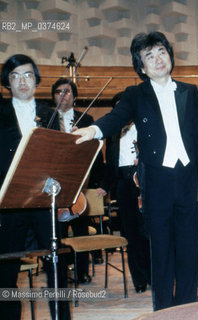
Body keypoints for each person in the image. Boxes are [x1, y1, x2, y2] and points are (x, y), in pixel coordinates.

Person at [72, 31, 198, 310]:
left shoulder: (190, 91)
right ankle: (162, 311)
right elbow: (117, 117)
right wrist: (93, 129)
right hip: (157, 182)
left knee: (188, 249)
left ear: (170, 55)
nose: (158, 59)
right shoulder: (136, 94)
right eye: (149, 55)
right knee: (161, 250)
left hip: (188, 180)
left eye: (161, 51)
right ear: (141, 67)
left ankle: (187, 309)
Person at [0, 54, 71, 319]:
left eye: (27, 75)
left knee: (56, 263)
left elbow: (61, 156)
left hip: (44, 200)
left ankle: (61, 316)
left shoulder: (49, 114)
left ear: (36, 80)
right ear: (7, 82)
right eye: (15, 75)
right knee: (6, 267)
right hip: (10, 202)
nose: (22, 81)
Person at [97, 92, 151, 294]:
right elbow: (110, 162)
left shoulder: (146, 127)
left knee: (147, 231)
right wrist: (105, 185)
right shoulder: (113, 132)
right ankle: (139, 279)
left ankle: (153, 275)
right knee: (130, 233)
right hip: (123, 183)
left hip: (144, 181)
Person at [51, 78, 103, 284]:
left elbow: (96, 154)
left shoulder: (87, 118)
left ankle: (82, 271)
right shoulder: (48, 118)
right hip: (54, 183)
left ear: (74, 96)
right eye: (58, 92)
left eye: (67, 91)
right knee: (59, 232)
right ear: (53, 96)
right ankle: (61, 274)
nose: (63, 95)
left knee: (81, 229)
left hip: (80, 181)